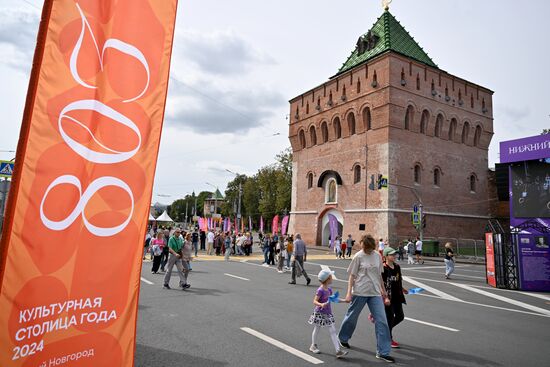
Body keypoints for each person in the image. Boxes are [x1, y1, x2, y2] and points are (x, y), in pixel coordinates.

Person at [338, 234, 395, 363]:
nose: (366, 250)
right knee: (352, 317)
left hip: (375, 293)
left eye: (368, 248)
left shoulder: (377, 256)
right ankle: (343, 338)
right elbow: (352, 276)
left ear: (372, 247)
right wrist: (348, 293)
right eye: (364, 248)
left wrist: (384, 292)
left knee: (382, 321)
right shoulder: (358, 256)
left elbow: (379, 275)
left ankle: (383, 352)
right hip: (360, 291)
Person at [308, 269, 349, 359]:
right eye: (331, 277)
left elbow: (333, 299)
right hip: (319, 313)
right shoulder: (320, 290)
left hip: (327, 313)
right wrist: (321, 304)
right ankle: (313, 345)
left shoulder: (329, 289)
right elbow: (314, 301)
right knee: (317, 328)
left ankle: (338, 351)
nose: (332, 278)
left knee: (332, 330)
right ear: (327, 279)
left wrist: (344, 301)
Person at [381, 247, 408, 349]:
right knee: (390, 317)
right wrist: (385, 297)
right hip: (388, 297)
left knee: (400, 316)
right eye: (392, 255)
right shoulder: (383, 268)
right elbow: (380, 284)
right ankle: (389, 338)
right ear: (386, 256)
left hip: (397, 296)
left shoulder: (397, 267)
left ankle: (385, 330)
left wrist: (402, 289)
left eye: (395, 254)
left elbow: (398, 280)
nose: (394, 256)